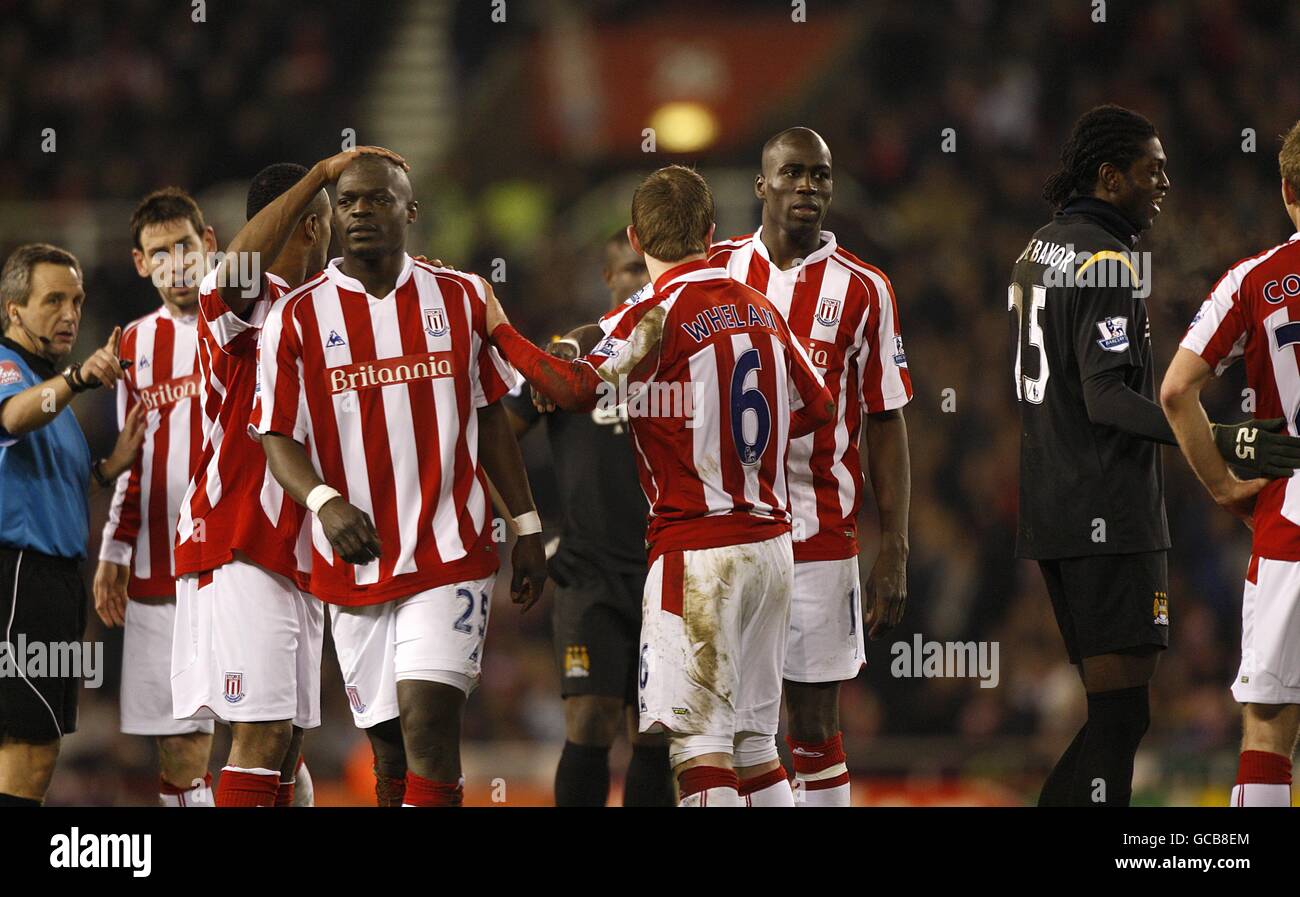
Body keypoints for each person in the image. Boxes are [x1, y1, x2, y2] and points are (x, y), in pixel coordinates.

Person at [487, 164, 836, 806]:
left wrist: (497, 327)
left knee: (697, 747)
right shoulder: (760, 306)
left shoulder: (652, 314)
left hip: (698, 552)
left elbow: (571, 387)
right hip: (772, 545)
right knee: (755, 744)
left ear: (635, 237)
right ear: (710, 230)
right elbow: (818, 408)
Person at [1010, 105, 1300, 806]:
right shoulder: (1108, 261)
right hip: (1108, 509)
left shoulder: (1038, 248)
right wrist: (1226, 437)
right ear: (1111, 178)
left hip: (1050, 503)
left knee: (1117, 714)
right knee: (1121, 717)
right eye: (1151, 170)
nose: (1164, 182)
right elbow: (1109, 399)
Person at [255, 152, 548, 807]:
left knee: (428, 722)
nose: (361, 210)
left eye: (378, 199)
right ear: (332, 215)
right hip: (353, 564)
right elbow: (276, 435)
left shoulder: (463, 296)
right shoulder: (296, 318)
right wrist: (326, 503)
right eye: (349, 200)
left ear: (410, 210)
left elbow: (491, 417)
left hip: (451, 549)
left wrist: (525, 524)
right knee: (390, 749)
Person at [171, 148, 400, 807]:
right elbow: (236, 267)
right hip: (238, 536)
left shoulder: (326, 314)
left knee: (288, 746)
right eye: (329, 216)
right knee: (263, 732)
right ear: (311, 225)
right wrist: (321, 178)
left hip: (301, 551)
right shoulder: (242, 304)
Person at [709, 128, 912, 805]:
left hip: (822, 533)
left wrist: (895, 546)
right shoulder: (716, 271)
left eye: (820, 176)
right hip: (730, 534)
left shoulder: (866, 289)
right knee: (737, 725)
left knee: (815, 726)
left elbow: (887, 417)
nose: (808, 187)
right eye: (793, 173)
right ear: (761, 185)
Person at [503, 231, 673, 806]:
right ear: (607, 280)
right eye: (630, 269)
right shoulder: (570, 361)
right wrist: (527, 525)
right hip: (589, 571)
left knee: (656, 734)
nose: (642, 281)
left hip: (667, 571)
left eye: (649, 270)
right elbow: (499, 439)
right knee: (592, 721)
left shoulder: (686, 356)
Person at [1161, 117, 1300, 807]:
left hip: (1288, 526)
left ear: (1285, 192)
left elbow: (1175, 390)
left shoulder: (1254, 279)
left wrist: (1225, 485)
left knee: (1270, 729)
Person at [0, 243, 144, 806]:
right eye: (53, 300)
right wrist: (81, 377)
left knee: (37, 755)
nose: (70, 313)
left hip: (56, 585)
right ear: (14, 308)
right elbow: (11, 417)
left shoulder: (50, 388)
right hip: (19, 579)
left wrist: (108, 468)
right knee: (23, 749)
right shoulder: (11, 370)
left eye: (77, 301)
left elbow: (57, 482)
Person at [94, 188, 219, 807]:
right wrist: (114, 550)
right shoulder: (132, 347)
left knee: (272, 732)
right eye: (159, 252)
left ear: (210, 246)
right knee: (179, 746)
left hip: (245, 562)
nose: (176, 263)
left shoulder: (255, 320)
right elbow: (131, 460)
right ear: (141, 263)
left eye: (185, 247)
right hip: (158, 568)